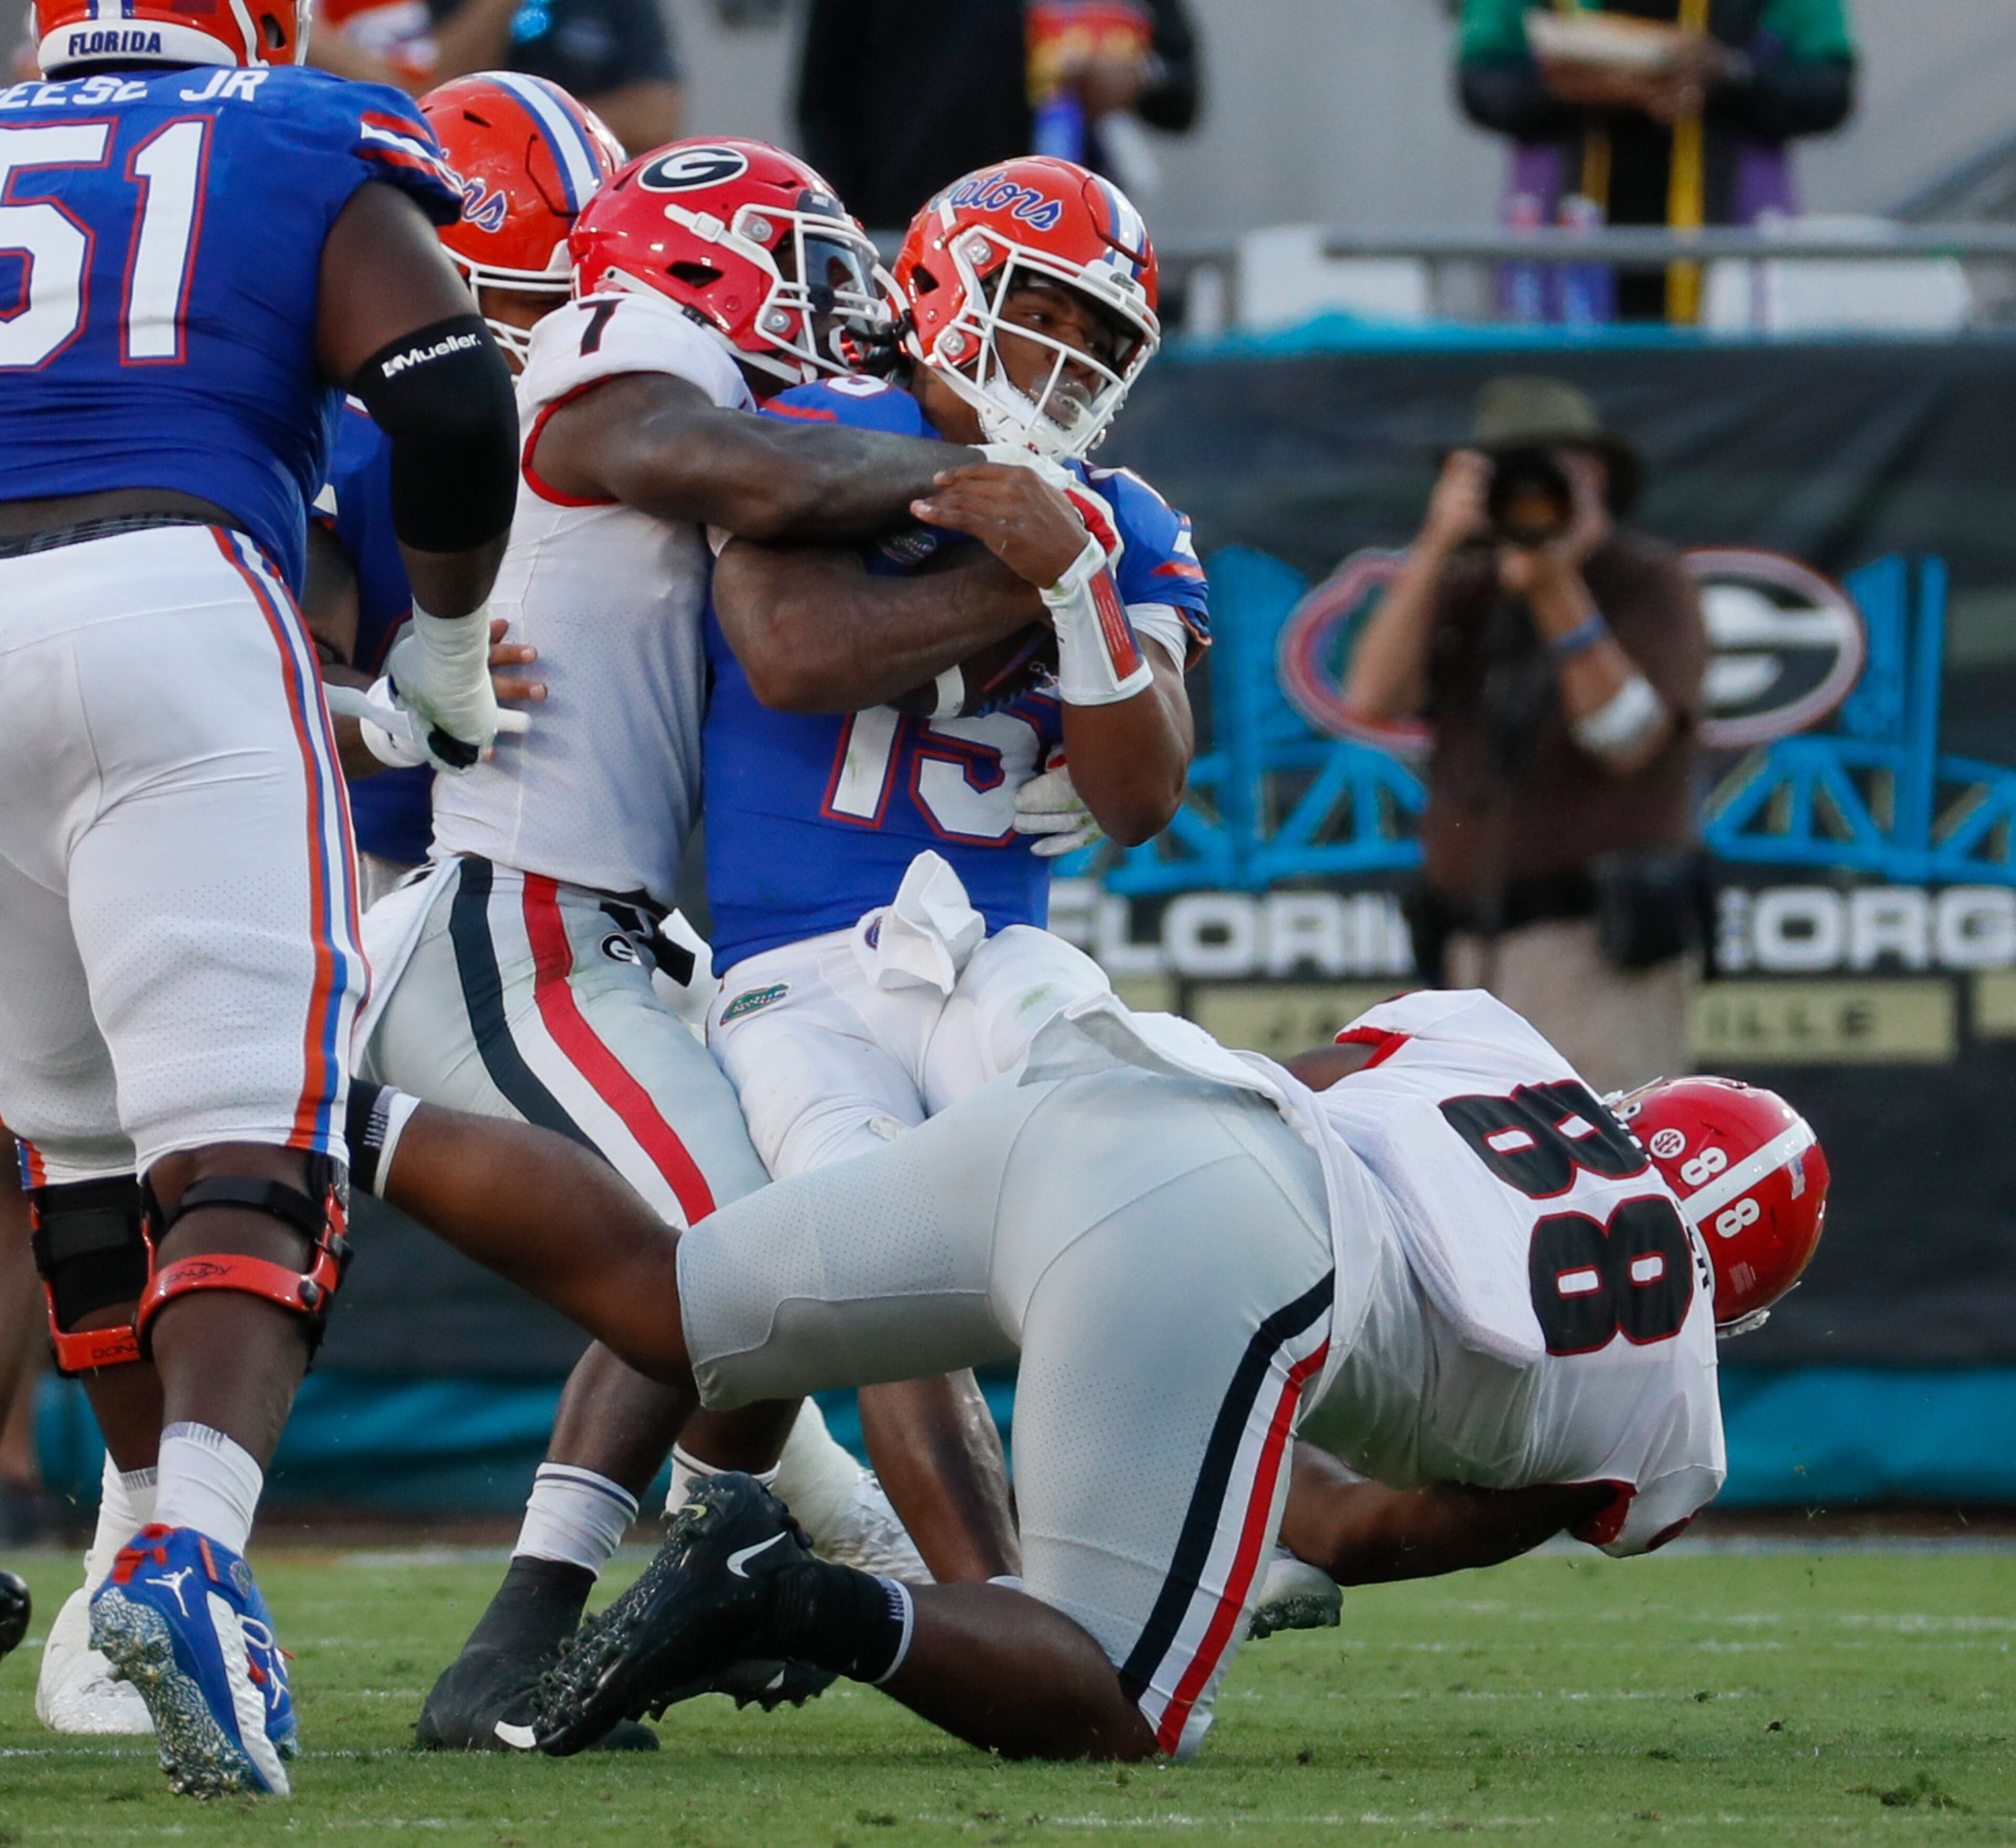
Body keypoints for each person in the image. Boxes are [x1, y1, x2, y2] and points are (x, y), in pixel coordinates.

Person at [323, 983, 1823, 1762]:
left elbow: (1289, 1099)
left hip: (1110, 1094)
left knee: (667, 1300)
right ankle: (783, 1588)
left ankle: (308, 1102)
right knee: (1116, 1702)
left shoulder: (1496, 1052)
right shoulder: (1664, 1417)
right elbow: (1358, 1527)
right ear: (1731, 1302)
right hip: (1239, 1252)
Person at [354, 138, 1063, 1754]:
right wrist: (1023, 498)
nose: (842, 317)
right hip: (522, 915)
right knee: (788, 1271)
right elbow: (748, 475)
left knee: (794, 1264)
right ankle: (731, 1570)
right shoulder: (627, 344)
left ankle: (588, 1604)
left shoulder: (706, 388)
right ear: (694, 264)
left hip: (615, 927)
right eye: (806, 272)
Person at [24, 70, 606, 1746]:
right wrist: (424, 661)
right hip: (205, 664)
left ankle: (132, 1547)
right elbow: (442, 413)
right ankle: (178, 1555)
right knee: (254, 1153)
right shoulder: (292, 142)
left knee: (76, 1166)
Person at [1343, 376, 1707, 1098]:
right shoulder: (1469, 584)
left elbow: (1625, 737)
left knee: (1608, 1151)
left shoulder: (1648, 580)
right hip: (1468, 947)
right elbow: (1371, 699)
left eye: (1552, 472)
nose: (1532, 493)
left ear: (1595, 477)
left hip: (1598, 954)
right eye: (1507, 473)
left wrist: (1553, 581)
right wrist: (1437, 542)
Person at [1456, 0, 1856, 321]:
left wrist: (1730, 75)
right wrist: (1568, 84)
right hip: (1564, 269)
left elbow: (1828, 91)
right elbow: (1482, 84)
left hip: (1732, 258)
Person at [796, 0, 1198, 229]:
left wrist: (1140, 77)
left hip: (1070, 232)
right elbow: (822, 100)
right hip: (919, 229)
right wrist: (849, 230)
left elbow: (1183, 89)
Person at [307, 0, 683, 153]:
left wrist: (515, 124)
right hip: (453, 188)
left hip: (581, 190)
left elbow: (656, 118)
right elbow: (418, 97)